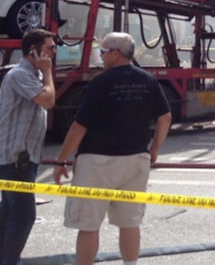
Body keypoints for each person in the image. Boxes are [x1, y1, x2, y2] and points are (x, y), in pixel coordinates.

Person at [53, 32, 172, 265]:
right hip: (136, 158)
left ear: (115, 54)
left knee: (88, 225)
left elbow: (79, 126)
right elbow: (165, 117)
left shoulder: (100, 82)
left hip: (98, 162)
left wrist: (61, 161)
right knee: (130, 223)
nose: (101, 55)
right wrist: (154, 149)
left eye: (103, 51)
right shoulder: (148, 79)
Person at [0, 28, 56, 265]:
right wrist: (48, 73)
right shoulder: (21, 74)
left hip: (23, 156)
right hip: (16, 157)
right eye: (49, 47)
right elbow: (48, 100)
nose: (53, 52)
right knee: (23, 215)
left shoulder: (34, 75)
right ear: (33, 50)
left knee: (9, 211)